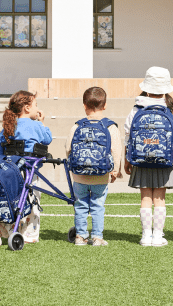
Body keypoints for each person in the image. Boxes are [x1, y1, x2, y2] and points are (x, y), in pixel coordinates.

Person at [124, 67, 173, 247]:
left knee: (145, 198)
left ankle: (145, 236)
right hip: (164, 160)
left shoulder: (137, 107)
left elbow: (128, 136)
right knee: (160, 199)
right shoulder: (170, 109)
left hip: (141, 159)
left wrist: (127, 160)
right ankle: (157, 236)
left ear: (147, 87)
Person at [0, 90, 52, 247]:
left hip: (10, 172)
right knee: (32, 203)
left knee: (13, 202)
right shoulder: (35, 125)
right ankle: (29, 235)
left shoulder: (9, 126)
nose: (37, 108)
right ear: (27, 108)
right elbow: (47, 138)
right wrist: (41, 121)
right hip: (30, 172)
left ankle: (3, 227)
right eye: (36, 105)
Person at [65, 87, 121, 247]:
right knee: (97, 206)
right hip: (101, 176)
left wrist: (74, 164)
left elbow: (68, 148)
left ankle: (80, 237)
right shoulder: (110, 127)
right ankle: (97, 237)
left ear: (84, 105)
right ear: (105, 106)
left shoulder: (77, 126)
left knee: (81, 205)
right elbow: (116, 150)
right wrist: (115, 170)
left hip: (79, 176)